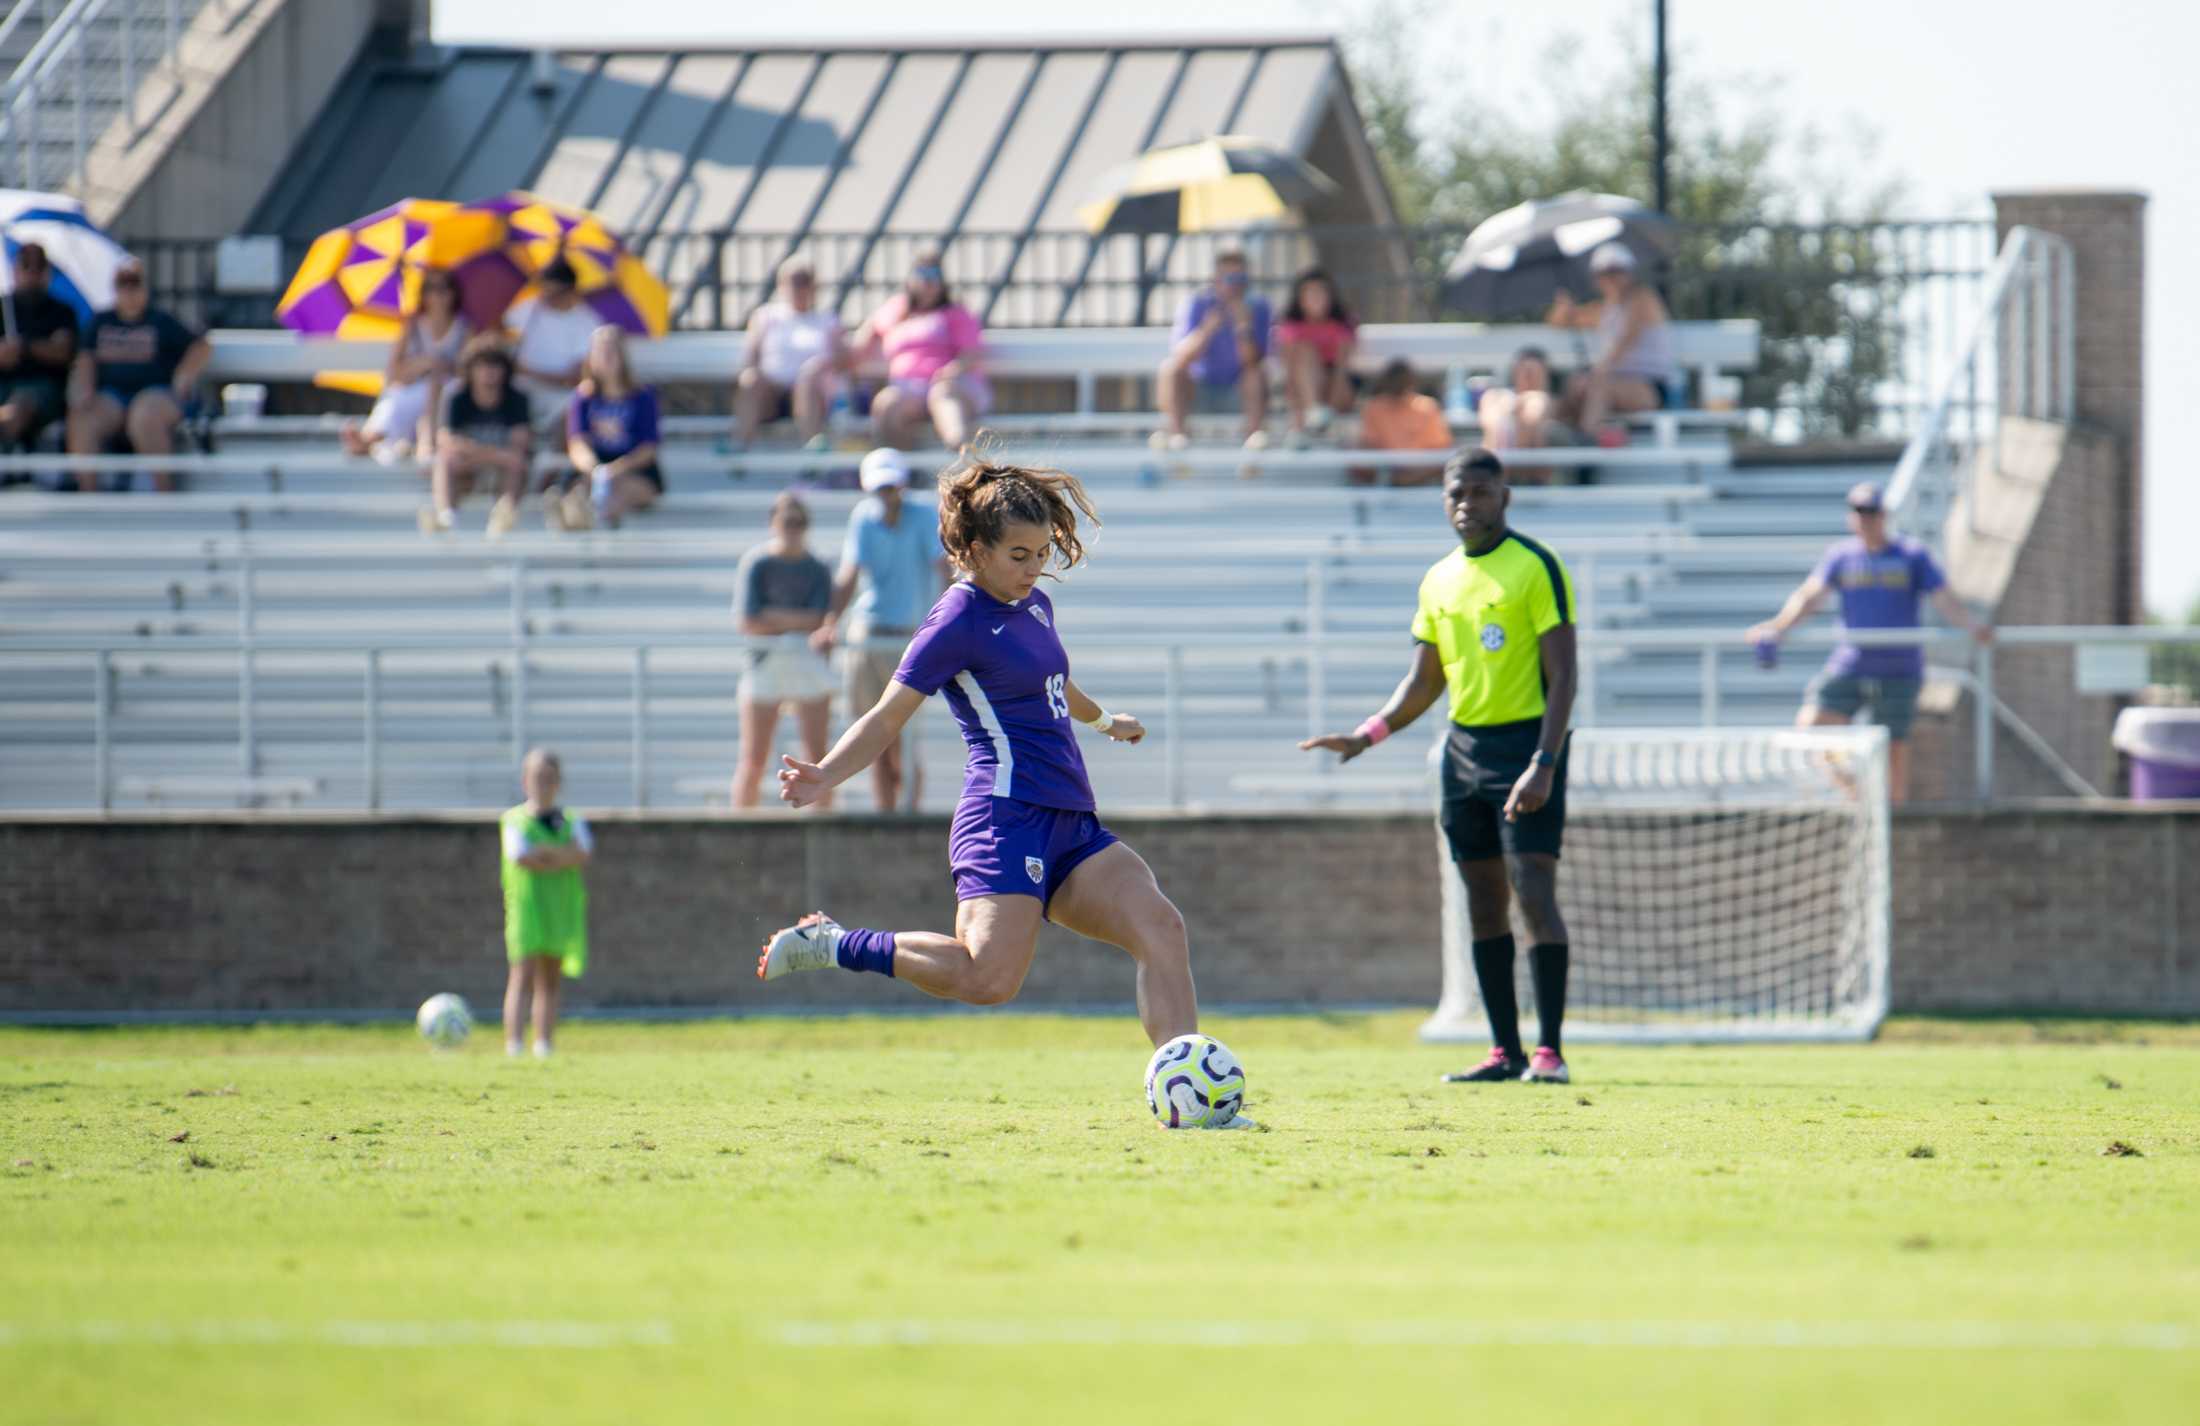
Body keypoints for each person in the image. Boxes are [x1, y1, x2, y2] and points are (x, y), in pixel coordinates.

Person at [757, 453, 1217, 1082]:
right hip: (1005, 817)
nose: (1034, 569)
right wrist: (826, 773)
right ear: (974, 549)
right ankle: (837, 944)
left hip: (1071, 822)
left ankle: (1188, 1094)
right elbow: (887, 715)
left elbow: (1055, 682)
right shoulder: (956, 618)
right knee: (987, 977)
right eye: (1018, 555)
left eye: (1040, 553)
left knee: (1162, 927)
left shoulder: (1034, 607)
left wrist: (1106, 721)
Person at [1302, 448, 1580, 1085]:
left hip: (1526, 751)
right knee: (1483, 902)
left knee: (1534, 893)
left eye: (1480, 492)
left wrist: (1544, 763)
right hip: (1463, 754)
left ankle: (1551, 1051)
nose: (1467, 504)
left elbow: (1564, 674)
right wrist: (1367, 735)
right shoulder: (1438, 579)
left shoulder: (1537, 566)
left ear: (1504, 496)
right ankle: (1504, 1052)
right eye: (1457, 493)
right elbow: (1424, 680)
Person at [1747, 481, 1993, 803]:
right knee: (1812, 727)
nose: (1866, 518)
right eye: (1859, 512)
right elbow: (1810, 596)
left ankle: (1897, 820)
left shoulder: (1912, 555)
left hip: (1899, 668)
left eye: (1871, 511)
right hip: (1852, 663)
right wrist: (1778, 626)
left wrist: (1972, 626)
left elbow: (1943, 598)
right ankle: (1858, 796)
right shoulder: (1842, 556)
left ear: (1884, 515)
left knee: (1894, 746)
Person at [814, 448, 949, 812]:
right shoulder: (864, 517)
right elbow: (849, 575)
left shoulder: (923, 515)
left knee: (902, 738)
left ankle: (907, 816)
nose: (886, 494)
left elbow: (944, 569)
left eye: (891, 486)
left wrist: (940, 626)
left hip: (908, 639)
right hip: (868, 635)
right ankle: (886, 814)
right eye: (880, 488)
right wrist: (830, 623)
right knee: (873, 736)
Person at [67, 258, 209, 492]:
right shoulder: (101, 322)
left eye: (135, 283)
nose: (130, 291)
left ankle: (163, 494)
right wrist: (84, 389)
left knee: (144, 415)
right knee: (83, 416)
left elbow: (201, 346)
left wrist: (184, 375)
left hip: (156, 393)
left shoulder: (161, 321)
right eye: (124, 284)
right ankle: (88, 498)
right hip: (112, 397)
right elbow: (85, 359)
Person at [732, 492, 837, 809]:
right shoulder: (757, 563)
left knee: (820, 761)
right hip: (765, 662)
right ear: (773, 523)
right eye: (788, 522)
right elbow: (748, 621)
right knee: (753, 759)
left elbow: (818, 619)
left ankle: (825, 828)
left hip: (806, 661)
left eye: (800, 523)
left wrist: (773, 617)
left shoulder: (817, 567)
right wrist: (798, 622)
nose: (794, 529)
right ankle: (740, 836)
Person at [500, 748, 592, 1059]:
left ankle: (544, 1044)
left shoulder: (570, 820)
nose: (544, 784)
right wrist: (561, 855)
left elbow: (582, 853)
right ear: (526, 781)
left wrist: (547, 852)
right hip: (527, 909)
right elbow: (522, 857)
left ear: (559, 782)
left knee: (550, 977)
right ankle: (513, 1044)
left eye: (550, 778)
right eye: (538, 777)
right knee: (522, 975)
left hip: (559, 909)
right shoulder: (513, 820)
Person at [849, 250, 987, 450]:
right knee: (886, 403)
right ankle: (903, 471)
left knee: (943, 395)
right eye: (922, 275)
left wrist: (950, 371)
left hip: (950, 385)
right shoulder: (898, 309)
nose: (928, 282)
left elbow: (971, 354)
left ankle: (961, 454)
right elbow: (871, 327)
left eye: (934, 276)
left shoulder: (955, 313)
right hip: (909, 390)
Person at [1546, 243, 1679, 440]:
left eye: (1617, 271)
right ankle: (1553, 437)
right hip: (1614, 383)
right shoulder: (1605, 309)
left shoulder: (1642, 298)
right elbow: (1559, 322)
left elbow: (1627, 339)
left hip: (1651, 387)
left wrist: (1597, 372)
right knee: (1577, 385)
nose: (1611, 277)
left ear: (1629, 273)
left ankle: (1586, 444)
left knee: (1598, 385)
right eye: (1604, 272)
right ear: (1596, 278)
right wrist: (1563, 305)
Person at [341, 271, 469, 464]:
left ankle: (426, 441)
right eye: (432, 289)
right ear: (424, 294)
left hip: (449, 390)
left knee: (436, 392)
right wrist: (423, 364)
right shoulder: (412, 326)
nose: (439, 295)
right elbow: (393, 374)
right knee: (396, 400)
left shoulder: (465, 328)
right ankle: (369, 439)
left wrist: (442, 367)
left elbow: (468, 370)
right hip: (415, 388)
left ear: (454, 292)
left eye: (445, 288)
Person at [1154, 248, 1270, 451]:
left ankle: (1254, 442)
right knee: (1171, 370)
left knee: (1255, 374)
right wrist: (1207, 329)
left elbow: (1252, 361)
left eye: (1240, 278)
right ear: (1216, 279)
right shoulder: (1197, 304)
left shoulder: (1258, 307)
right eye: (1229, 278)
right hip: (1199, 389)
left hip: (1238, 391)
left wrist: (1243, 328)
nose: (1235, 285)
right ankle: (1178, 438)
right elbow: (1182, 357)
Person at [551, 325, 662, 531]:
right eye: (600, 352)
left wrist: (615, 470)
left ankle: (596, 519)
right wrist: (595, 469)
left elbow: (649, 448)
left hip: (632, 466)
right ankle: (579, 515)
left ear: (623, 356)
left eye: (611, 351)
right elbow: (577, 444)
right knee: (581, 486)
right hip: (595, 465)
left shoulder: (643, 396)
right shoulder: (583, 397)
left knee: (625, 489)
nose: (606, 357)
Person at [422, 335, 531, 537]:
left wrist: (476, 452)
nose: (489, 372)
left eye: (495, 365)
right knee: (445, 461)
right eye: (482, 365)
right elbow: (446, 440)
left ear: (505, 370)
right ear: (470, 369)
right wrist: (494, 455)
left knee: (516, 464)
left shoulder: (517, 397)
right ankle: (446, 518)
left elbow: (520, 443)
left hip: (500, 470)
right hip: (470, 468)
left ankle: (504, 517)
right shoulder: (456, 395)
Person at [734, 255, 843, 450]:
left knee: (807, 381)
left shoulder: (827, 320)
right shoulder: (766, 316)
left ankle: (813, 447)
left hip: (811, 395)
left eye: (804, 281)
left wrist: (817, 368)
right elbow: (751, 356)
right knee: (750, 381)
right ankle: (739, 446)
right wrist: (752, 373)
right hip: (771, 396)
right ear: (781, 285)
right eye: (793, 282)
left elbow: (840, 359)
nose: (798, 288)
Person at [504, 257, 598, 430]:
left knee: (574, 413)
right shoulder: (530, 309)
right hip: (520, 391)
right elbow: (499, 332)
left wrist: (527, 371)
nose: (546, 296)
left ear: (571, 291)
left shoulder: (588, 323)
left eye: (553, 292)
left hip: (562, 398)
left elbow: (573, 379)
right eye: (543, 289)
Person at [0, 244, 78, 451]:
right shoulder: (3, 308)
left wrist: (24, 348)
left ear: (47, 273)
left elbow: (62, 351)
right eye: (26, 265)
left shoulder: (61, 312)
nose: (32, 272)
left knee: (19, 406)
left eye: (39, 266)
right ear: (15, 270)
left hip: (43, 389)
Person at [1275, 266, 1357, 446]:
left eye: (1320, 293)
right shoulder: (1290, 326)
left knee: (1315, 362)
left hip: (1337, 391)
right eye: (1310, 294)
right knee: (1305, 351)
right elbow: (1290, 374)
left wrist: (1329, 409)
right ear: (1300, 299)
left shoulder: (1342, 325)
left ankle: (1315, 418)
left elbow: (1341, 371)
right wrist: (1299, 412)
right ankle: (1311, 416)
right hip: (1303, 396)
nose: (1316, 299)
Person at [1353, 358, 1451, 486]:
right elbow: (1369, 444)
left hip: (1424, 475)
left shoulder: (1427, 407)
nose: (1398, 384)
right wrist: (1393, 472)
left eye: (1402, 380)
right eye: (1394, 380)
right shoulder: (1374, 408)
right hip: (1385, 475)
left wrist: (1412, 476)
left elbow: (1440, 448)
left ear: (1411, 381)